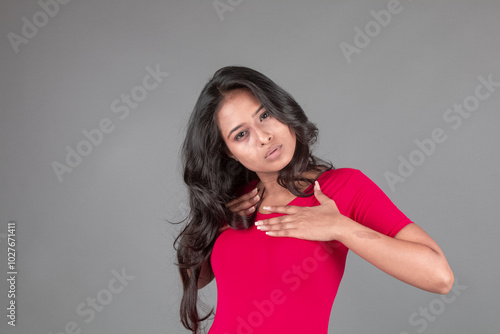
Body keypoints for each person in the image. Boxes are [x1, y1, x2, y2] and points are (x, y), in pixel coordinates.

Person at [174, 66, 454, 334]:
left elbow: (440, 276)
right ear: (229, 152)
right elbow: (197, 280)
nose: (264, 136)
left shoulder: (342, 189)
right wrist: (211, 224)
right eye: (241, 134)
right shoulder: (236, 204)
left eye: (265, 115)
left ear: (282, 110)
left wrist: (340, 227)